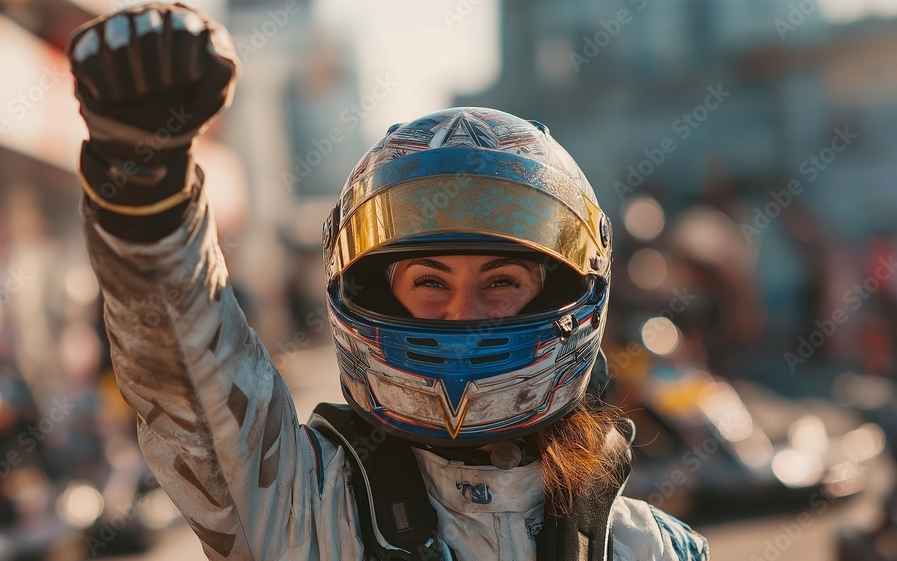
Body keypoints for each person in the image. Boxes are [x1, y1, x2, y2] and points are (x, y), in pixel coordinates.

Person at [67, 4, 710, 560]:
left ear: (562, 293)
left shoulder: (649, 547)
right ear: (374, 293)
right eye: (430, 281)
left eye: (502, 280)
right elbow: (190, 388)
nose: (463, 314)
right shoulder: (305, 510)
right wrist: (144, 192)